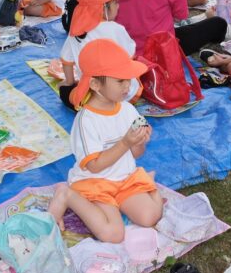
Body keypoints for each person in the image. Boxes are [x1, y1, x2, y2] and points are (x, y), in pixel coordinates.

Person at [46, 39, 163, 243]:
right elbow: (94, 166)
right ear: (95, 84)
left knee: (150, 217)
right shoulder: (86, 120)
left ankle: (146, 182)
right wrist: (125, 143)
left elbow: (137, 154)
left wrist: (139, 142)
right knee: (113, 234)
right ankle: (66, 195)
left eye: (128, 79)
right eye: (120, 81)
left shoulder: (127, 109)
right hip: (96, 182)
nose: (127, 86)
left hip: (125, 179)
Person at [59, 0, 139, 109]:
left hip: (93, 93)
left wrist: (69, 82)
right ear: (104, 7)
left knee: (65, 92)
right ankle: (116, 105)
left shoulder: (76, 32)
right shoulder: (116, 29)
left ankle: (95, 105)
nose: (118, 6)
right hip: (124, 92)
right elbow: (130, 56)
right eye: (116, 2)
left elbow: (66, 61)